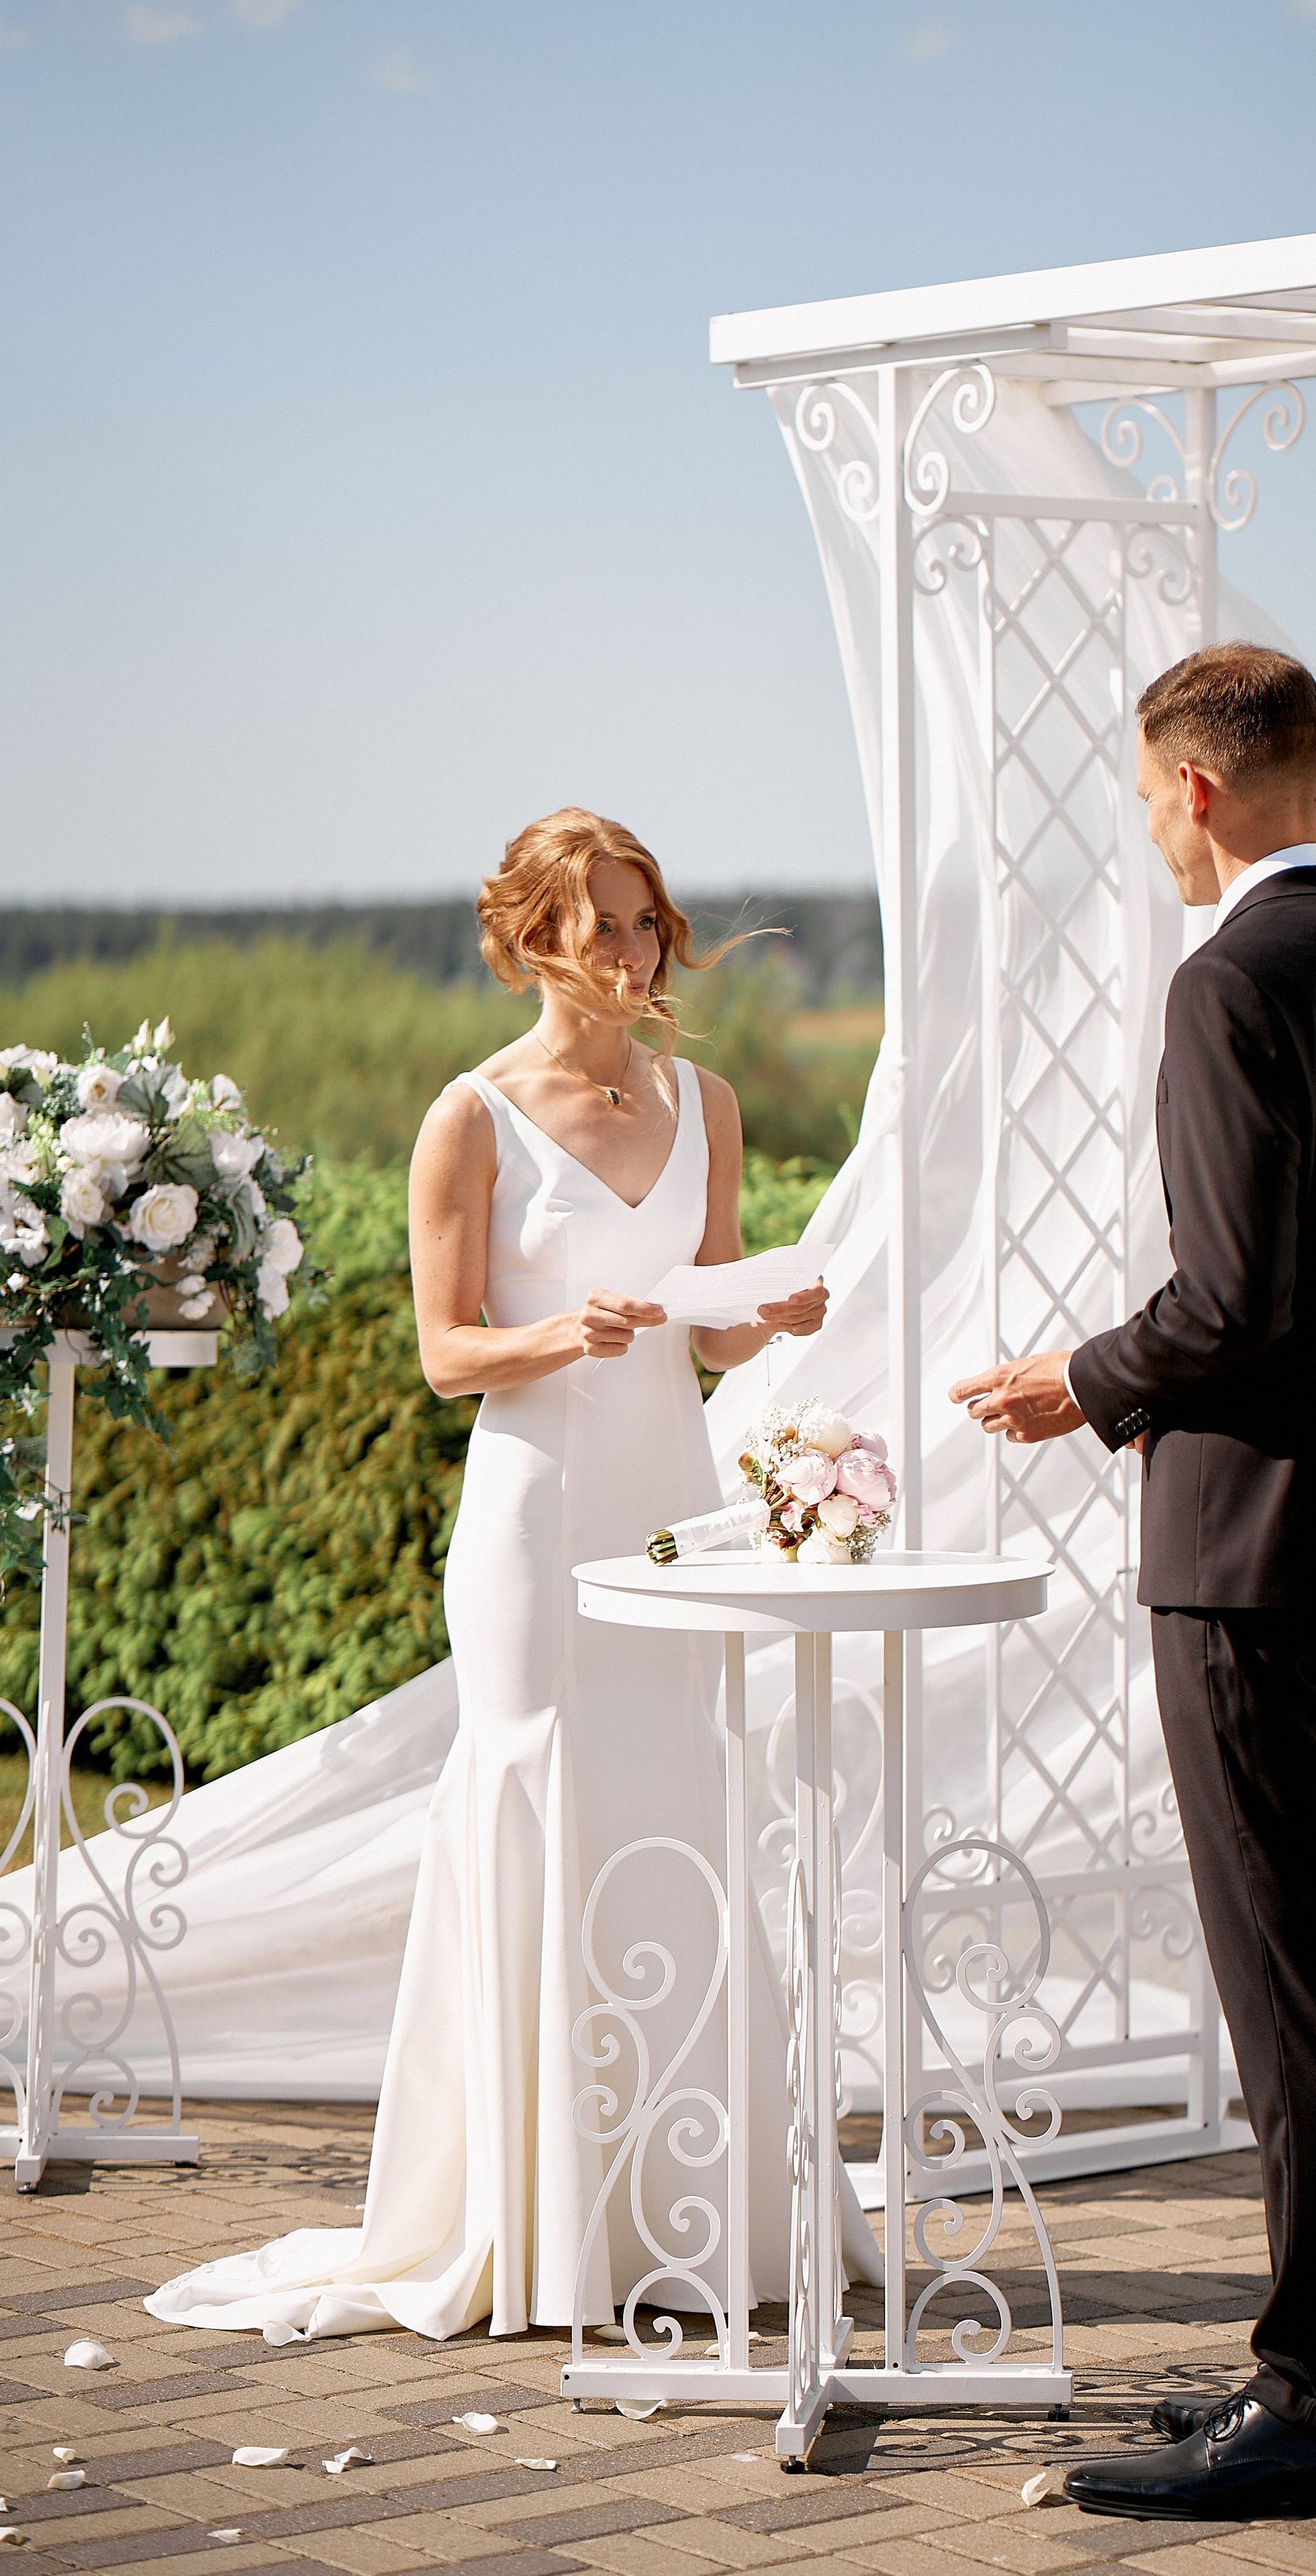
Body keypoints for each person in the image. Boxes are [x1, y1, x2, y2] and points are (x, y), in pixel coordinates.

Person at [147, 805, 881, 2341]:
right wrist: (563, 1333)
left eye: (644, 922)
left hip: (670, 1502)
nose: (631, 952)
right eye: (602, 924)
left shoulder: (709, 1101)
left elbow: (713, 1314)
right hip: (538, 1517)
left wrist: (774, 1313)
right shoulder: (470, 1117)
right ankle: (530, 2215)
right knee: (547, 1802)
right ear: (531, 940)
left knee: (681, 1794)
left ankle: (688, 2205)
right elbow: (442, 1352)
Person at [951, 646, 1316, 2522]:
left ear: (1195, 787)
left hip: (1253, 1554)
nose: (1146, 828)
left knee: (1294, 1987)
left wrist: (1081, 1385)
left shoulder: (1230, 984)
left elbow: (1227, 1307)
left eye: (1141, 796)